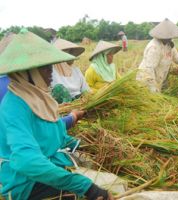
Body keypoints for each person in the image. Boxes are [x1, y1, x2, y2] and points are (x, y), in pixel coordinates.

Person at [0, 29, 113, 200]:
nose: (51, 71)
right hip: (27, 182)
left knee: (109, 180)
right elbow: (27, 161)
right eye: (45, 67)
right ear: (27, 72)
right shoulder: (14, 107)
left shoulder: (36, 97)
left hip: (50, 165)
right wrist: (86, 187)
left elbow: (49, 128)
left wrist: (82, 143)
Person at [136, 18, 178, 93]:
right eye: (168, 36)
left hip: (159, 78)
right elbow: (149, 69)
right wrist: (153, 88)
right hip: (146, 81)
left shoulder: (169, 43)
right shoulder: (154, 48)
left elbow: (176, 57)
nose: (170, 38)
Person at [51, 38, 90, 104]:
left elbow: (85, 89)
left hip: (80, 102)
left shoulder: (76, 70)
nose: (72, 56)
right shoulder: (51, 71)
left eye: (72, 52)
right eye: (69, 52)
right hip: (63, 106)